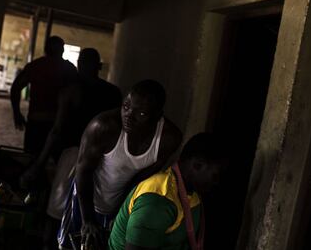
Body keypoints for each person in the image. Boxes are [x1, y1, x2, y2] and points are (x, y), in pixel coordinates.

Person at [58, 80, 182, 249]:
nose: (128, 116)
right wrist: (87, 220)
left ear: (157, 115)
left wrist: (121, 211)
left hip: (122, 201)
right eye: (126, 106)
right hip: (86, 195)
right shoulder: (103, 127)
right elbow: (83, 171)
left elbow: (141, 181)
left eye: (141, 113)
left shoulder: (168, 139)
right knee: (72, 244)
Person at [18, 48, 122, 250]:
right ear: (99, 67)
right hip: (105, 158)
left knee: (56, 210)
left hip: (74, 156)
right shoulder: (113, 93)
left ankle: (49, 244)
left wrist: (39, 163)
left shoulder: (71, 90)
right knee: (92, 210)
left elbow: (57, 130)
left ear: (79, 65)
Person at [108, 133, 228, 250]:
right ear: (197, 165)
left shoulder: (192, 193)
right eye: (215, 176)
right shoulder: (157, 199)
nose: (217, 182)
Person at [10, 36, 77, 156]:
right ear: (62, 50)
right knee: (57, 165)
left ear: (45, 49)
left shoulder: (35, 66)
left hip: (36, 124)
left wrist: (16, 112)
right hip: (60, 125)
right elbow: (77, 97)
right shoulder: (69, 69)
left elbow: (16, 87)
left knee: (31, 159)